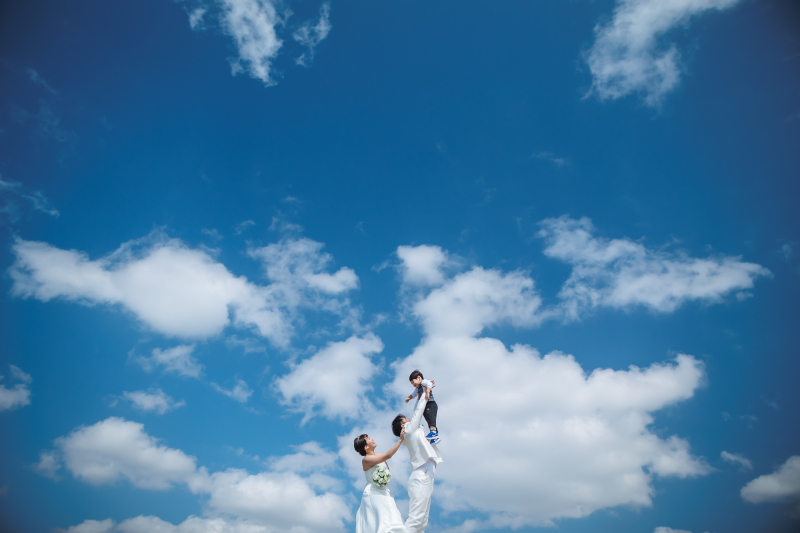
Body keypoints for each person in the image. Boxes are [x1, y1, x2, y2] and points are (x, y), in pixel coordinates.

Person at [392, 395, 442, 533]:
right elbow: (418, 411)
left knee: (422, 522)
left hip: (427, 475)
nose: (409, 419)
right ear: (403, 425)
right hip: (421, 476)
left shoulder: (413, 433)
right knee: (416, 520)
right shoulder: (409, 430)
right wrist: (424, 394)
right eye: (405, 419)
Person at [354, 427, 408, 533]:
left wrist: (384, 477)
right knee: (384, 520)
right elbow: (388, 455)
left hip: (385, 492)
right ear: (366, 447)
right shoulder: (366, 460)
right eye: (368, 438)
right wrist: (401, 439)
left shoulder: (378, 455)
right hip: (373, 493)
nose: (372, 438)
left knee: (393, 517)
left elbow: (388, 470)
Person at [404, 370, 439, 444]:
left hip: (430, 403)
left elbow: (429, 384)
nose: (413, 384)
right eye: (411, 383)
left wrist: (428, 392)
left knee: (430, 418)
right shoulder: (417, 388)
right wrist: (409, 398)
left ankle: (433, 433)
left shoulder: (423, 382)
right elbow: (413, 394)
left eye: (413, 382)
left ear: (419, 378)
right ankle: (434, 436)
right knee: (428, 419)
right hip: (425, 406)